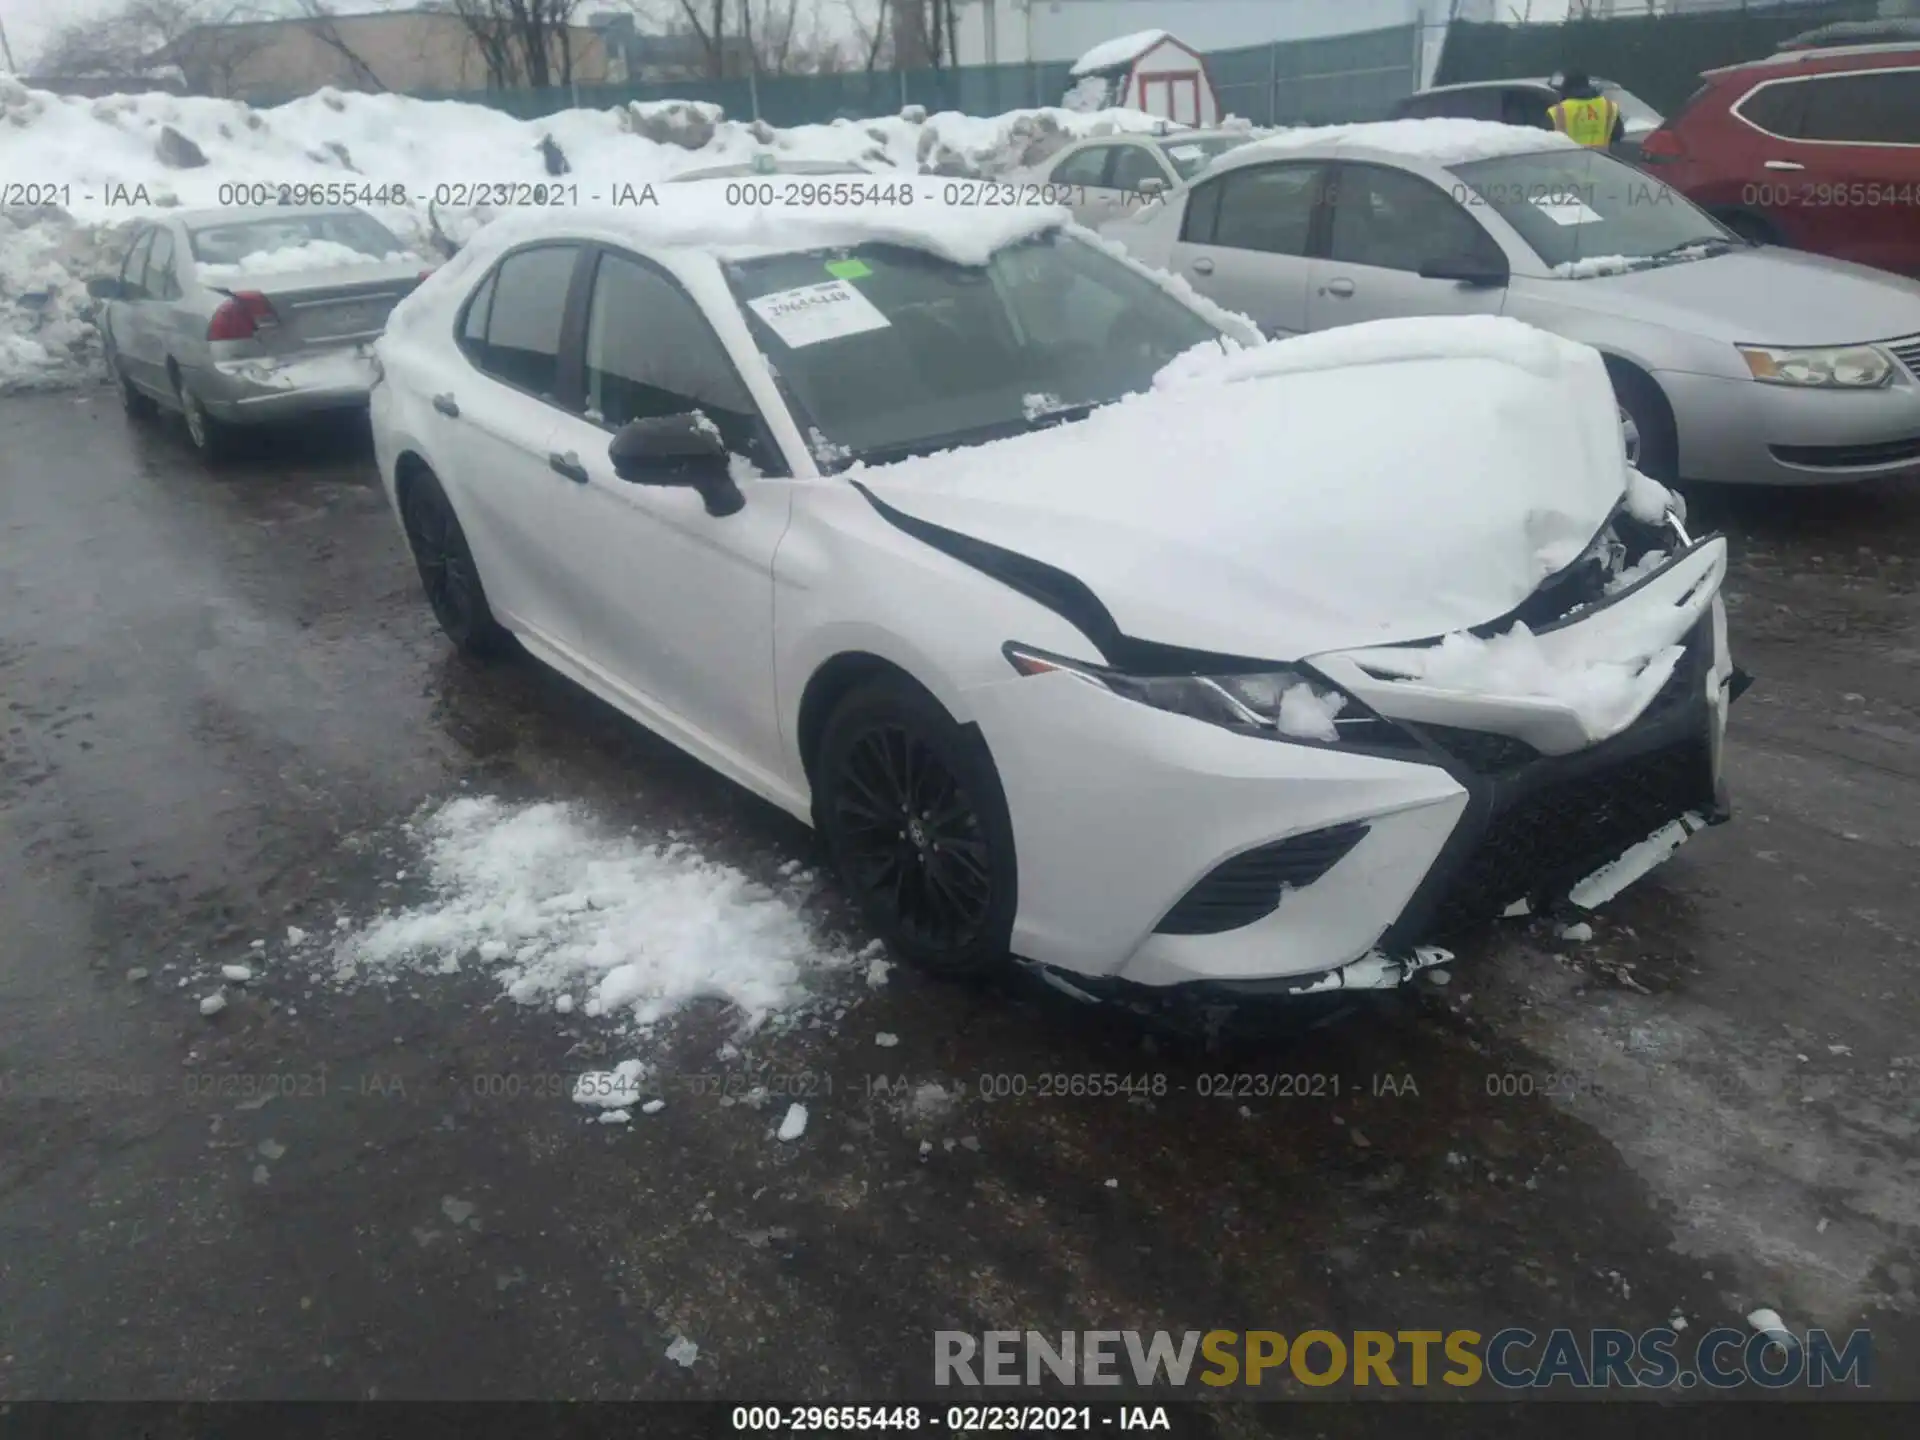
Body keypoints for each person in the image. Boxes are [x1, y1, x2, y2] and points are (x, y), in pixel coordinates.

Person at [1548, 70, 1625, 149]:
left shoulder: (1558, 111)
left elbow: (1545, 142)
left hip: (1569, 160)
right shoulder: (1609, 107)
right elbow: (1618, 136)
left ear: (1565, 88)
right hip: (1602, 159)